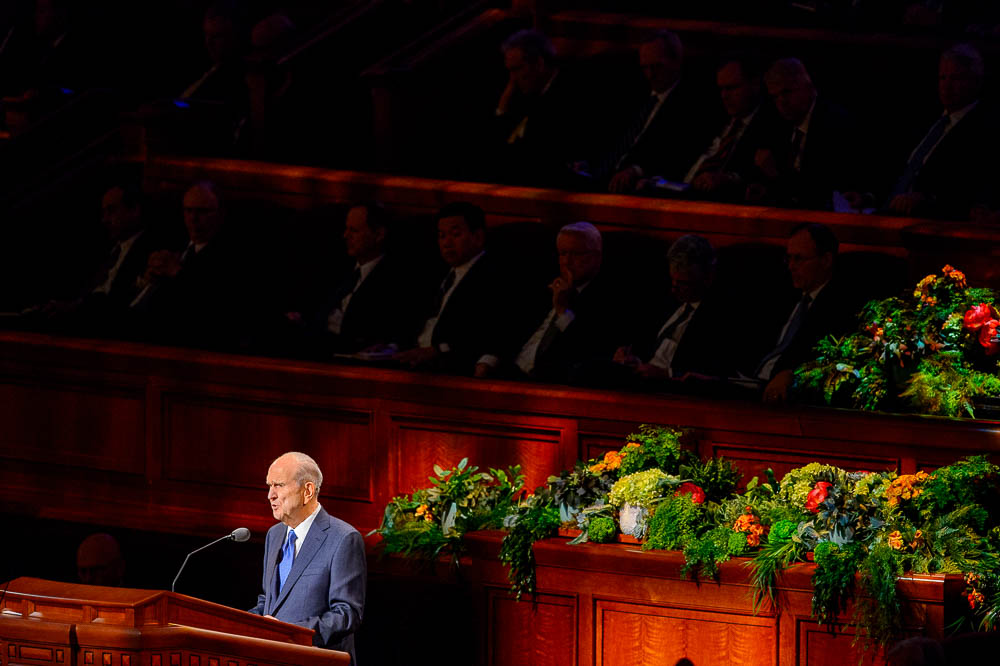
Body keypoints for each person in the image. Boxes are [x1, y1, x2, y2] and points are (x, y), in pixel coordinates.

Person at [249, 452, 365, 663]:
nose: (270, 495)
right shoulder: (274, 535)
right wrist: (238, 624)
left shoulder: (343, 538)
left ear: (308, 491)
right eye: (269, 485)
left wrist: (290, 634)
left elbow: (346, 614)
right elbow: (269, 603)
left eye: (279, 485)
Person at [476, 222, 620, 383]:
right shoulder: (543, 286)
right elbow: (511, 326)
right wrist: (488, 360)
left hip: (549, 382)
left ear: (596, 256)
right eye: (563, 253)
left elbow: (588, 350)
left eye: (576, 254)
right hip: (510, 371)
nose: (567, 262)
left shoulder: (609, 298)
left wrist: (563, 311)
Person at [389, 202, 506, 374]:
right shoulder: (433, 273)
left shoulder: (493, 277)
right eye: (442, 236)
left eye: (455, 234)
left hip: (448, 364)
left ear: (478, 237)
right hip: (411, 358)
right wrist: (391, 346)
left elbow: (486, 332)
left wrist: (438, 350)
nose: (447, 243)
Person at [284, 203, 416, 356]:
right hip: (315, 338)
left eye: (354, 231)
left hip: (348, 348)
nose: (345, 236)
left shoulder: (396, 278)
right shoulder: (338, 266)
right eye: (346, 229)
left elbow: (388, 329)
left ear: (379, 234)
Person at [881, 44, 995, 220]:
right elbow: (899, 171)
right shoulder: (926, 120)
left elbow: (971, 187)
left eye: (956, 79)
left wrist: (925, 198)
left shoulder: (986, 129)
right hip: (885, 212)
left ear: (976, 81)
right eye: (943, 78)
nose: (946, 86)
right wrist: (868, 196)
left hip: (928, 221)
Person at [755, 223, 863, 403]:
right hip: (752, 380)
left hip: (788, 391)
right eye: (788, 258)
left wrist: (791, 374)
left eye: (799, 259)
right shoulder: (780, 294)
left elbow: (831, 361)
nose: (791, 266)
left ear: (826, 260)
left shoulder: (843, 306)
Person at [596, 31, 713, 194]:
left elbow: (674, 151)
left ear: (677, 61)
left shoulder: (691, 104)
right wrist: (591, 162)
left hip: (636, 182)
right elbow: (611, 135)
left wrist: (636, 170)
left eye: (657, 66)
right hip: (604, 174)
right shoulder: (632, 93)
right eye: (645, 67)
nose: (650, 75)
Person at [612, 235, 734, 380]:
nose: (674, 289)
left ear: (707, 278)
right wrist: (631, 356)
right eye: (673, 280)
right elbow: (642, 339)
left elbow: (714, 370)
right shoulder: (664, 300)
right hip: (640, 377)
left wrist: (667, 374)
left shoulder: (723, 314)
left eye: (683, 283)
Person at [749, 58, 861, 210]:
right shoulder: (779, 124)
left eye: (787, 92)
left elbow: (819, 189)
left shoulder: (833, 122)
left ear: (808, 85)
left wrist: (775, 175)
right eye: (775, 97)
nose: (782, 102)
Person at [490, 29, 583, 187]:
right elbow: (496, 143)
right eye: (510, 71)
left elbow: (534, 155)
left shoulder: (567, 95)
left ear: (539, 63)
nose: (513, 79)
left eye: (517, 69)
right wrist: (504, 102)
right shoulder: (526, 96)